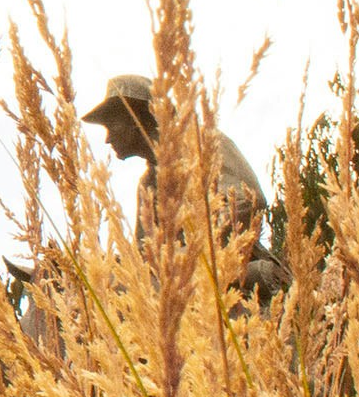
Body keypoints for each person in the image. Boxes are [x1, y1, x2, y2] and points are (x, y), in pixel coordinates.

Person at [83, 74, 289, 300]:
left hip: (236, 275)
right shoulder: (148, 186)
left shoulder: (202, 144)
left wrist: (190, 255)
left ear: (136, 117)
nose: (108, 138)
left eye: (111, 124)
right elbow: (145, 251)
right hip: (179, 285)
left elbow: (246, 200)